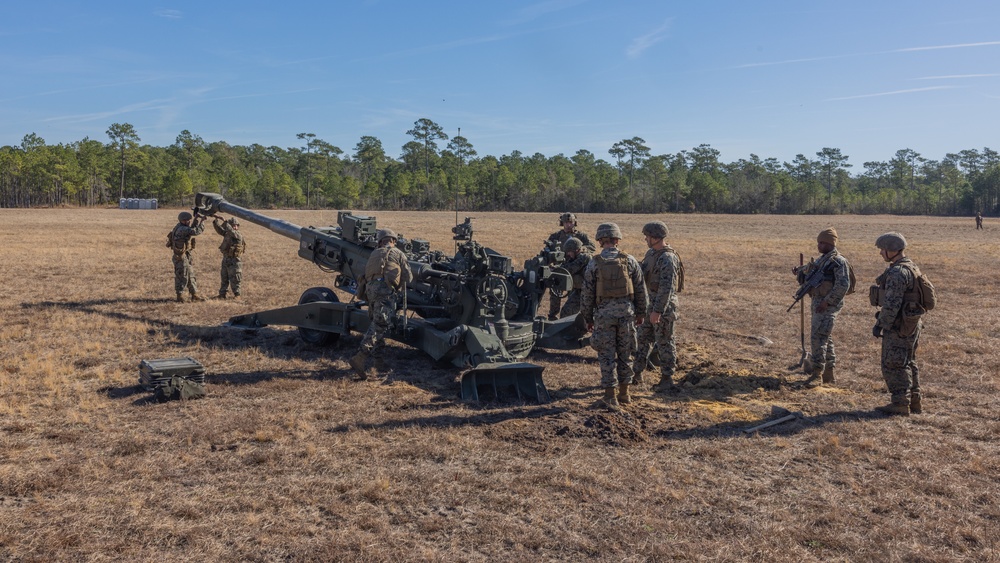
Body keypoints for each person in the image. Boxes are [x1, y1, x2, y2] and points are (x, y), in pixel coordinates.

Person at [580, 222, 647, 410]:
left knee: (606, 355)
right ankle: (625, 393)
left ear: (600, 241)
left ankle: (610, 396)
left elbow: (586, 294)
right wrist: (641, 313)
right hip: (627, 315)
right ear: (617, 240)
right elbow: (641, 290)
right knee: (626, 354)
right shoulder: (630, 260)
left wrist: (588, 318)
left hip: (603, 316)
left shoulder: (594, 263)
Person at [871, 232, 924, 416]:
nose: (880, 254)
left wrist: (881, 324)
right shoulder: (911, 267)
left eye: (882, 250)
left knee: (894, 362)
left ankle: (900, 403)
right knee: (909, 361)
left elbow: (892, 304)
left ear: (892, 250)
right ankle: (914, 401)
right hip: (912, 323)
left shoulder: (897, 272)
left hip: (899, 325)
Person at [349, 228, 412, 380]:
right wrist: (398, 286)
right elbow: (408, 277)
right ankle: (360, 356)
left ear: (380, 241)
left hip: (370, 290)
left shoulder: (374, 253)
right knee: (380, 324)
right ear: (393, 241)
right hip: (385, 290)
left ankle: (378, 361)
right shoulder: (398, 253)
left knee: (375, 322)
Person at [791, 228, 852, 386]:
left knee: (818, 338)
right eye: (818, 242)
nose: (818, 245)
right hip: (818, 303)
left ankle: (817, 374)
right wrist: (800, 270)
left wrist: (827, 302)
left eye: (822, 242)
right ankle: (828, 374)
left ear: (830, 243)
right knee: (825, 337)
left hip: (827, 306)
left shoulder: (839, 262)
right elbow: (812, 268)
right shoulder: (823, 259)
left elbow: (843, 285)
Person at [633, 221, 683, 392]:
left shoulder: (668, 258)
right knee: (642, 339)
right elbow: (643, 270)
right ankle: (636, 373)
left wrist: (657, 311)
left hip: (663, 308)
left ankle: (667, 378)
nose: (645, 239)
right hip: (649, 304)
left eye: (647, 236)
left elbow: (666, 288)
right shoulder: (651, 253)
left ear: (655, 237)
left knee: (664, 342)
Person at [546, 213, 595, 320]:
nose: (568, 225)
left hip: (577, 270)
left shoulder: (581, 236)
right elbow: (548, 251)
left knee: (573, 295)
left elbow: (592, 247)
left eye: (571, 222)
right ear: (562, 223)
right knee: (555, 291)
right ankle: (553, 315)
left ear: (574, 223)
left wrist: (581, 249)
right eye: (566, 223)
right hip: (560, 267)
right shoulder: (555, 236)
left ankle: (571, 318)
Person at [166, 211, 206, 303]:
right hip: (180, 257)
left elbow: (190, 229)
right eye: (186, 220)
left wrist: (196, 219)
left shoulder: (181, 227)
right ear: (182, 221)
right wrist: (202, 221)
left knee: (190, 275)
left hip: (185, 256)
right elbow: (195, 231)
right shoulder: (182, 229)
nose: (188, 221)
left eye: (189, 220)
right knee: (182, 276)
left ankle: (194, 294)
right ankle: (179, 295)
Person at [556, 237, 592, 318]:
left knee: (587, 315)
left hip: (588, 292)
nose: (568, 254)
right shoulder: (574, 257)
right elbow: (565, 266)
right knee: (566, 313)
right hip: (580, 290)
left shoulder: (584, 257)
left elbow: (570, 269)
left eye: (569, 252)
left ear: (577, 250)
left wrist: (555, 270)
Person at [213, 216, 246, 299]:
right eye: (232, 225)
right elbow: (219, 230)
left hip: (235, 260)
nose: (234, 227)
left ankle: (237, 294)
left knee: (235, 278)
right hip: (226, 258)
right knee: (224, 277)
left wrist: (225, 222)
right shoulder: (227, 233)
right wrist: (216, 220)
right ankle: (222, 294)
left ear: (238, 226)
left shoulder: (237, 235)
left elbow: (231, 231)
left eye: (235, 225)